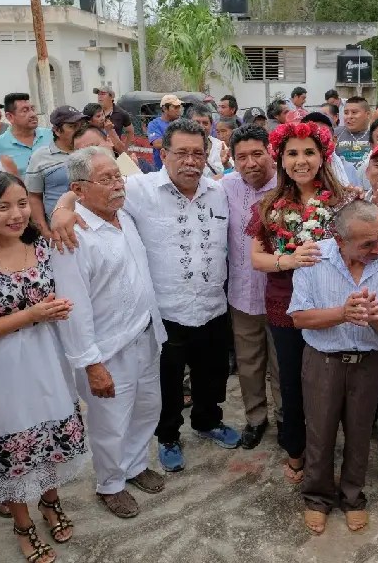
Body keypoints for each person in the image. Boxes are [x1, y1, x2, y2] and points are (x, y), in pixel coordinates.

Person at [52, 119, 242, 473]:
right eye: (181, 152)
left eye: (198, 153)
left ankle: (207, 421)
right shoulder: (138, 188)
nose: (190, 161)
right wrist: (62, 208)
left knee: (212, 374)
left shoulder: (220, 190)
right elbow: (85, 189)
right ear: (164, 153)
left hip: (213, 305)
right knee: (166, 383)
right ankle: (168, 436)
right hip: (166, 312)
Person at [0, 172, 86, 563]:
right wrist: (32, 314)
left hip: (46, 361)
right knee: (13, 449)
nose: (17, 214)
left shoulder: (41, 246)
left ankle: (51, 502)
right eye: (3, 207)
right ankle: (22, 524)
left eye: (22, 203)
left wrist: (54, 311)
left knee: (49, 439)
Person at [52, 147, 167, 518]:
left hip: (145, 334)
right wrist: (91, 363)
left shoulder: (123, 215)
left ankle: (134, 466)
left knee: (147, 408)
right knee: (110, 422)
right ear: (80, 189)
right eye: (106, 180)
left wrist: (65, 203)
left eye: (117, 176)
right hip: (106, 349)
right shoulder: (73, 235)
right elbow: (73, 308)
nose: (118, 185)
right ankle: (110, 483)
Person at [289, 200, 378, 535]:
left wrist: (376, 317)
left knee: (359, 434)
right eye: (367, 244)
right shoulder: (314, 258)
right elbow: (299, 317)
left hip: (367, 363)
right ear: (340, 239)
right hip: (322, 363)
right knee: (320, 432)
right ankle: (317, 498)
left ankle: (353, 497)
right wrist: (342, 314)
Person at [248, 121, 359, 485]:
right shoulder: (269, 206)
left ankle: (336, 453)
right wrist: (290, 260)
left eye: (309, 152)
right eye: (292, 153)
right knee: (293, 385)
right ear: (280, 159)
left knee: (332, 385)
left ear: (323, 155)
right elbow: (257, 259)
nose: (301, 161)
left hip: (336, 307)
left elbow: (372, 243)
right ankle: (296, 452)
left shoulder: (347, 201)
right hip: (288, 309)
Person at [223, 125, 282, 449]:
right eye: (241, 157)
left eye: (257, 154)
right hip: (242, 297)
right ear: (233, 160)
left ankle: (287, 419)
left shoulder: (288, 186)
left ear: (270, 153)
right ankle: (256, 418)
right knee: (248, 364)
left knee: (282, 365)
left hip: (281, 298)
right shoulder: (225, 187)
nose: (250, 163)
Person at [25, 105, 86, 237]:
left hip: (92, 227)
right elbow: (34, 197)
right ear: (57, 131)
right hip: (59, 232)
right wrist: (44, 230)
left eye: (81, 125)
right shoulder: (40, 157)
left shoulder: (90, 151)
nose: (79, 130)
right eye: (72, 126)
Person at [0, 93, 53, 177]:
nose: (33, 115)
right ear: (10, 117)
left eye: (32, 109)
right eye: (25, 111)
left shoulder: (51, 136)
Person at [302, 111, 351, 186]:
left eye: (323, 137)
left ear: (334, 141)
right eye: (311, 138)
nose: (317, 144)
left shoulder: (347, 168)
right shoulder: (292, 169)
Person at [334, 96, 372, 184]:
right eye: (346, 113)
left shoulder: (375, 135)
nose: (349, 117)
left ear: (367, 114)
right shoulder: (335, 134)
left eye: (354, 112)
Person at [187, 104, 228, 178]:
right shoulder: (181, 147)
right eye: (197, 122)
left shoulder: (220, 145)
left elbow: (232, 171)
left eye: (205, 123)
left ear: (211, 125)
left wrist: (226, 165)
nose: (201, 127)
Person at [147, 94, 182, 171]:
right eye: (175, 107)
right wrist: (181, 142)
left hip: (179, 168)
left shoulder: (182, 123)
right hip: (161, 168)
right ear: (165, 108)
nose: (178, 110)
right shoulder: (154, 124)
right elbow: (157, 143)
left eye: (179, 107)